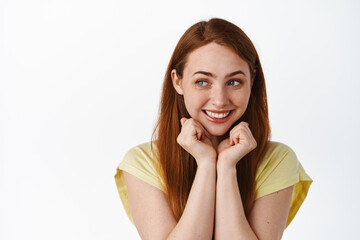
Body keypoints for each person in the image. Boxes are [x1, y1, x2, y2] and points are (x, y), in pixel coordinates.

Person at [115, 17, 312, 240]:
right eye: (202, 82)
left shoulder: (277, 160)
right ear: (178, 82)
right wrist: (207, 164)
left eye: (234, 82)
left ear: (252, 81)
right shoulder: (142, 162)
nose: (219, 100)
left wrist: (227, 167)